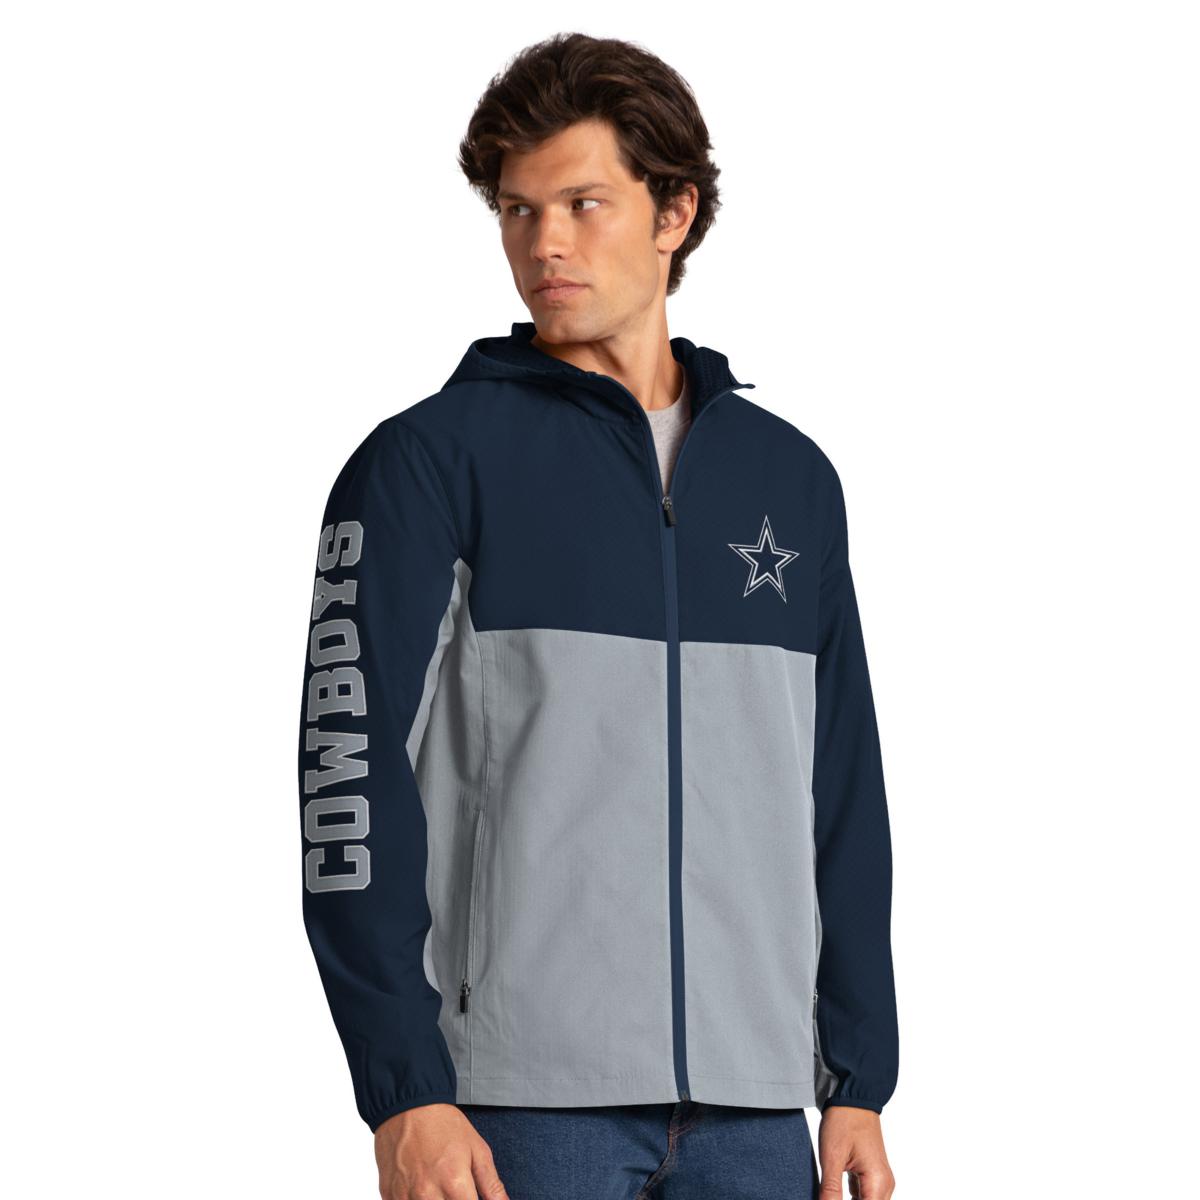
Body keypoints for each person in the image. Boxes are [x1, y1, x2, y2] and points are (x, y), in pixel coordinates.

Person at [297, 31, 898, 1200]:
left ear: (674, 212)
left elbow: (842, 791)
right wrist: (404, 1086)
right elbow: (346, 781)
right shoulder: (428, 463)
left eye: (582, 204)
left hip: (756, 1108)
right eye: (518, 211)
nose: (545, 245)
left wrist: (858, 1074)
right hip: (519, 1111)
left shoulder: (790, 481)